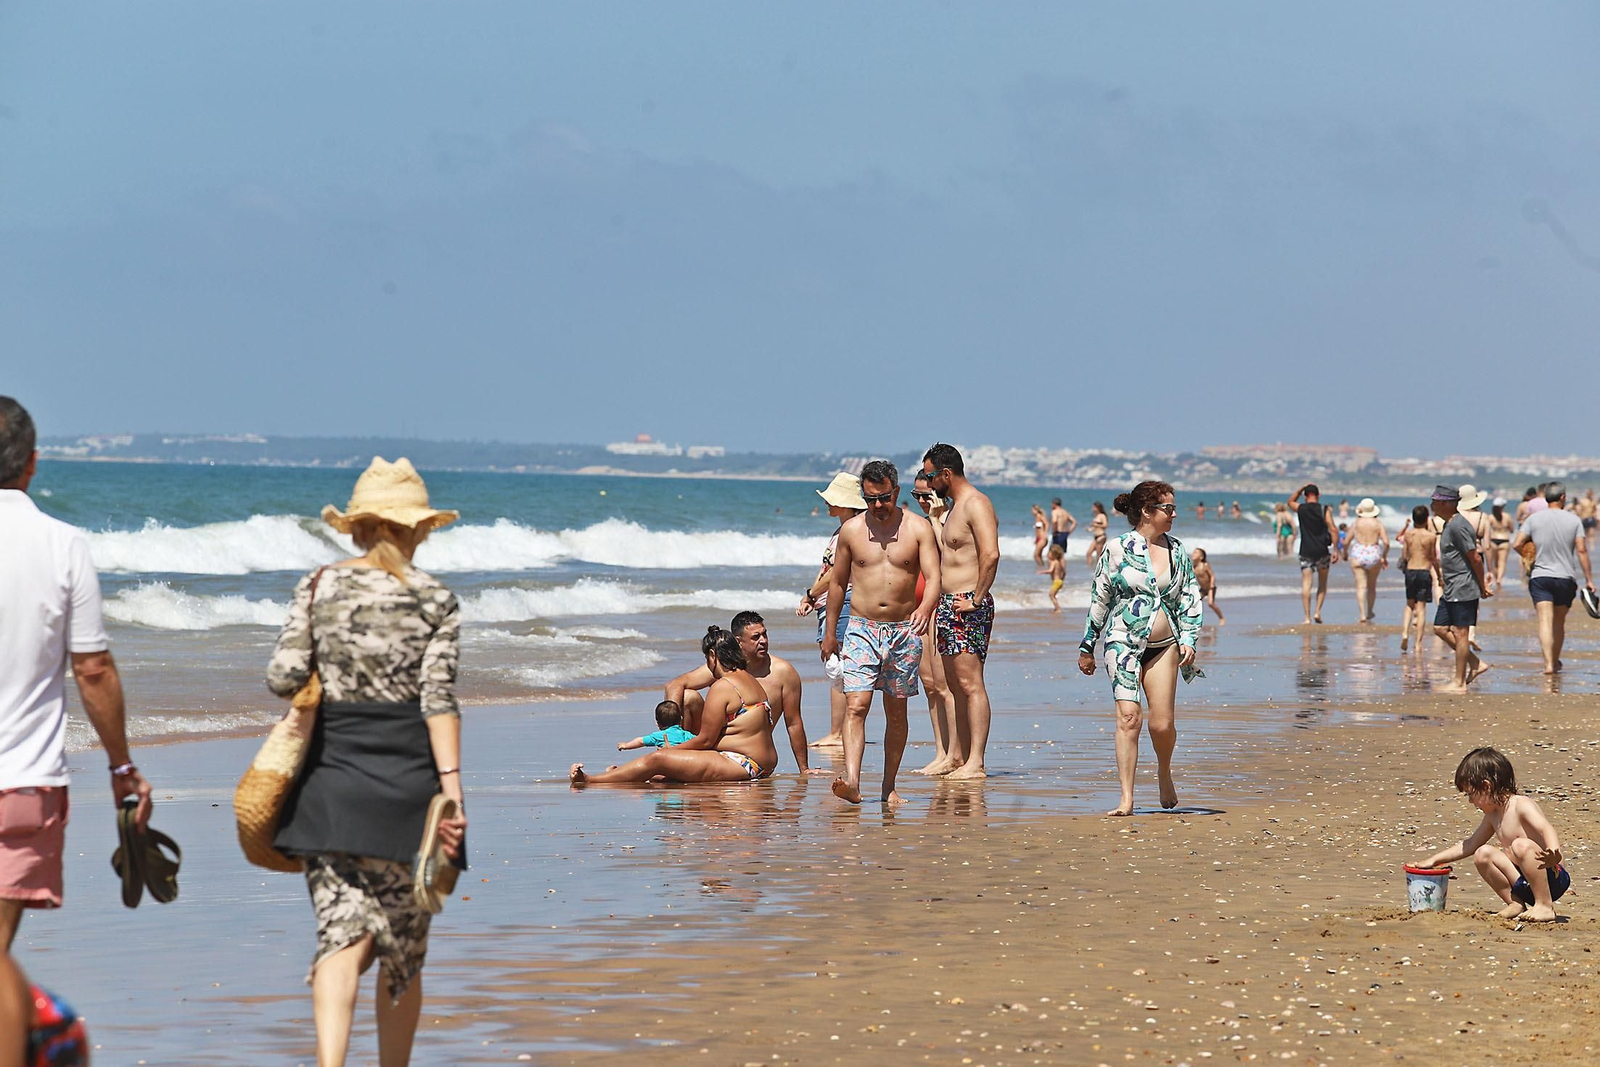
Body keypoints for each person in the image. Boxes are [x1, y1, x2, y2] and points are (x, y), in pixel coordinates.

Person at [266, 456, 467, 1067]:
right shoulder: (436, 599)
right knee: (402, 955)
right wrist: (453, 794)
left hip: (329, 781)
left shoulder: (319, 585)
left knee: (341, 937)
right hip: (407, 786)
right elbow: (438, 701)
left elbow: (282, 676)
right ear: (417, 528)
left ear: (356, 526)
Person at [0, 397, 154, 952]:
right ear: (32, 463)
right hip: (21, 783)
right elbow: (92, 670)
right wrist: (122, 766)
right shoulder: (63, 545)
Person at [1078, 481, 1203, 816]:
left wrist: (1189, 639)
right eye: (1168, 508)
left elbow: (1190, 597)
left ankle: (1164, 771)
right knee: (1129, 718)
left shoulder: (1177, 551)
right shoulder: (1117, 549)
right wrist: (1088, 644)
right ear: (1147, 511)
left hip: (1165, 647)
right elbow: (1100, 597)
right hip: (1122, 643)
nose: (1174, 514)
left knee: (1161, 724)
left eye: (1174, 508)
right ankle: (1127, 799)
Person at [820, 460, 941, 803]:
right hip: (861, 628)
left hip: (904, 630)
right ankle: (854, 782)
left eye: (884, 498)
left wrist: (924, 608)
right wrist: (831, 632)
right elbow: (838, 583)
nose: (877, 505)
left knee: (896, 712)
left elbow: (934, 579)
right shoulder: (852, 531)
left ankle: (889, 787)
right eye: (870, 498)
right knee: (856, 704)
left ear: (896, 492)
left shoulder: (918, 529)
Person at [573, 627, 799, 785]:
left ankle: (591, 781)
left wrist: (670, 751)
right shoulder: (749, 680)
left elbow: (705, 740)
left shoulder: (723, 685)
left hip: (743, 763)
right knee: (663, 775)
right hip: (763, 764)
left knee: (658, 760)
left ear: (712, 656)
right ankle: (621, 775)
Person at [922, 444, 1001, 781]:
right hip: (950, 603)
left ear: (946, 474)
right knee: (954, 686)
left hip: (969, 603)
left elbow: (991, 554)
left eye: (929, 476)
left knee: (971, 685)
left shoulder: (976, 503)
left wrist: (978, 598)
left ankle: (977, 762)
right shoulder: (954, 508)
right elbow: (951, 553)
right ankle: (960, 757)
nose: (927, 484)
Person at [1418, 747, 1566, 922]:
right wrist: (1434, 860)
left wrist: (1554, 852)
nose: (1470, 801)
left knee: (1521, 845)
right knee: (1482, 853)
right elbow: (1471, 844)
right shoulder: (1492, 815)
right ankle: (1515, 903)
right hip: (1522, 881)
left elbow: (1545, 828)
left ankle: (1544, 906)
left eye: (1471, 794)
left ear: (1486, 786)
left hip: (1550, 877)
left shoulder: (1521, 805)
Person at [665, 612, 816, 770]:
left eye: (765, 634)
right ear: (738, 642)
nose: (763, 641)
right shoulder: (721, 666)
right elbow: (674, 685)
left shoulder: (784, 673)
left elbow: (793, 723)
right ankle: (677, 756)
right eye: (755, 637)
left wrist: (804, 769)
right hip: (708, 741)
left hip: (748, 751)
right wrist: (671, 735)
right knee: (688, 697)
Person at [796, 473, 866, 747]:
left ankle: (838, 733)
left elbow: (838, 571)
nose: (828, 503)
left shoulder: (850, 530)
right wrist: (811, 595)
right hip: (832, 600)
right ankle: (837, 731)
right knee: (834, 666)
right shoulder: (842, 530)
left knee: (839, 666)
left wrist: (811, 593)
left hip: (844, 601)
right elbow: (826, 570)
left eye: (834, 499)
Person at [1511, 481, 1596, 675]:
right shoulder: (1574, 520)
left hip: (1540, 576)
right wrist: (1589, 579)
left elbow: (1516, 544)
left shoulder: (1533, 519)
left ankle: (1548, 664)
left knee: (1544, 621)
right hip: (1565, 577)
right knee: (1558, 622)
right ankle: (1555, 661)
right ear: (1563, 497)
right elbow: (1582, 550)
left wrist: (1529, 558)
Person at [909, 472, 958, 777]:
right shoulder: (921, 526)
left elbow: (950, 557)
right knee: (929, 686)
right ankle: (941, 750)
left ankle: (955, 753)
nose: (923, 502)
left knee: (944, 686)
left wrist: (939, 519)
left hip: (941, 608)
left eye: (927, 495)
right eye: (917, 497)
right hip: (918, 610)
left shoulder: (948, 523)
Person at [1429, 484, 1492, 693]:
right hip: (1452, 586)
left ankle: (1459, 683)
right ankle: (1475, 663)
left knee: (1461, 633)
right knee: (1439, 628)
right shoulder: (1448, 524)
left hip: (1463, 585)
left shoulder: (1459, 526)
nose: (1432, 505)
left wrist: (1482, 585)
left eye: (1435, 502)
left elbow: (1475, 557)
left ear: (1446, 503)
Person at [1288, 483, 1337, 624]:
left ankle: (1307, 617)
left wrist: (1299, 488)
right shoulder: (1324, 509)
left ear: (1304, 496)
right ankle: (1317, 612)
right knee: (1322, 584)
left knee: (1306, 584)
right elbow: (1333, 529)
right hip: (1322, 550)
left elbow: (1290, 502)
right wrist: (1336, 550)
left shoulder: (1301, 508)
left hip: (1306, 551)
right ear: (1318, 495)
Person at [1397, 505, 1441, 653]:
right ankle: (1417, 643)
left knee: (1409, 604)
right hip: (1423, 570)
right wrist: (1440, 577)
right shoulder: (1431, 536)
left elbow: (1404, 555)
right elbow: (1433, 558)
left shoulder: (1409, 535)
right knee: (1421, 609)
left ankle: (1404, 633)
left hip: (1410, 570)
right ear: (1426, 519)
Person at [1344, 498, 1389, 624]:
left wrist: (1344, 553)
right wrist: (1384, 556)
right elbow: (1386, 542)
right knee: (1371, 586)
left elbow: (1347, 541)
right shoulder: (1378, 523)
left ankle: (1362, 615)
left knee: (1361, 586)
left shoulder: (1356, 523)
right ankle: (1370, 611)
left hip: (1359, 552)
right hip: (1374, 553)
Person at [618, 700, 693, 750]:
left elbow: (640, 741)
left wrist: (626, 745)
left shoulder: (659, 736)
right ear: (681, 719)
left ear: (658, 723)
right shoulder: (686, 735)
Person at [1486, 498, 1515, 592]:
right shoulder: (1507, 516)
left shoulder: (1490, 517)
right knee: (1502, 562)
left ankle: (1496, 578)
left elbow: (1486, 530)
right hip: (1504, 540)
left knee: (1495, 562)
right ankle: (1499, 579)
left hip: (1493, 540)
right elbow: (1512, 529)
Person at [1190, 548, 1224, 625]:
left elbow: (1212, 575)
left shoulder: (1205, 565)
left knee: (1210, 603)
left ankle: (1221, 617)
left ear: (1201, 557)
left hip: (1210, 588)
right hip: (1203, 589)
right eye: (1193, 552)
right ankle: (1194, 620)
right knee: (1194, 603)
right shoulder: (1194, 566)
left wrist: (1212, 584)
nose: (1193, 554)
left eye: (1196, 553)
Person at [1086, 502, 1110, 567]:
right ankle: (1090, 568)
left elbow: (1105, 525)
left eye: (1094, 507)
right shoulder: (1096, 516)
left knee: (1098, 555)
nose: (1092, 509)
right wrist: (1090, 529)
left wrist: (1096, 524)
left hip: (1101, 536)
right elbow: (1095, 527)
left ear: (1097, 508)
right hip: (1095, 536)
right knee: (1088, 553)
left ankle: (1099, 571)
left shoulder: (1102, 515)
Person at [1046, 544, 1067, 614]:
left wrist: (1041, 572)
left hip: (1056, 582)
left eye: (1049, 553)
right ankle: (1056, 607)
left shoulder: (1054, 562)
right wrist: (1062, 580)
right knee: (1053, 595)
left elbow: (1050, 571)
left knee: (1051, 595)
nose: (1048, 554)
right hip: (1059, 581)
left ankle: (1058, 608)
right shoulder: (1058, 562)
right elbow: (1064, 572)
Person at [1031, 505, 1048, 569]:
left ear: (1036, 510)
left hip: (1042, 538)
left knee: (1036, 555)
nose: (1032, 512)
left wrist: (1045, 533)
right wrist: (1036, 539)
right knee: (1039, 555)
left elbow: (1047, 524)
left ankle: (1042, 567)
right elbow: (1037, 530)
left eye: (1032, 510)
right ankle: (1041, 567)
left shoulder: (1040, 516)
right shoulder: (1037, 518)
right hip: (1039, 538)